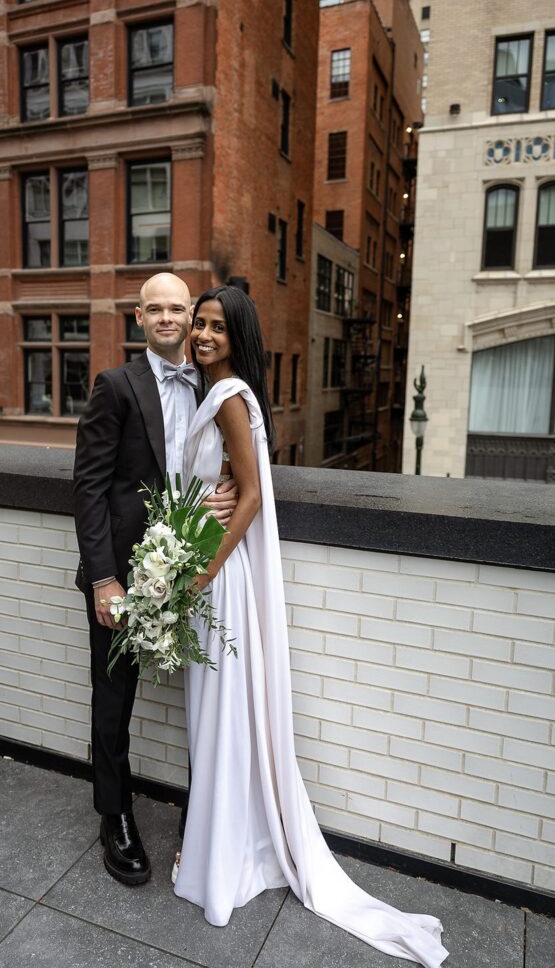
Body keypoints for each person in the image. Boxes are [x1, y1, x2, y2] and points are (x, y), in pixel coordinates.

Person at [173, 285, 449, 968]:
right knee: (215, 711)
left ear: (235, 338)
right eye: (198, 324)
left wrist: (205, 570)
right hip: (204, 564)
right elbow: (225, 483)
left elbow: (254, 497)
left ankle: (226, 856)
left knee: (221, 710)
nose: (202, 334)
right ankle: (222, 844)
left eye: (215, 326)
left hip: (220, 575)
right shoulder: (214, 393)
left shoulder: (231, 396)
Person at [73, 273, 236, 887]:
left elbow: (232, 455)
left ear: (191, 315)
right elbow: (88, 487)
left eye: (178, 308)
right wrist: (104, 580)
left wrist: (229, 490)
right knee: (114, 698)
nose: (168, 318)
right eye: (156, 309)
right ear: (138, 318)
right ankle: (114, 817)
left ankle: (206, 815)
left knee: (206, 692)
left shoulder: (215, 383)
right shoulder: (114, 386)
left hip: (193, 563)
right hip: (123, 572)